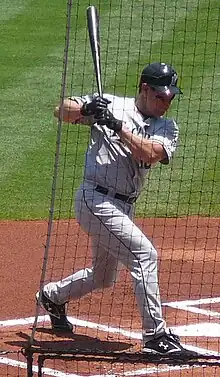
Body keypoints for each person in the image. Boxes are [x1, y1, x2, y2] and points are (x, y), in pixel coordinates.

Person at [36, 62, 197, 357]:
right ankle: (155, 336)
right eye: (161, 96)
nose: (166, 102)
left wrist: (116, 126)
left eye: (170, 97)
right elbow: (61, 110)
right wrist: (86, 110)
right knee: (144, 254)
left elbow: (148, 152)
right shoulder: (111, 104)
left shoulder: (167, 127)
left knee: (103, 277)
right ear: (144, 89)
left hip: (123, 205)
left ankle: (52, 296)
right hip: (94, 199)